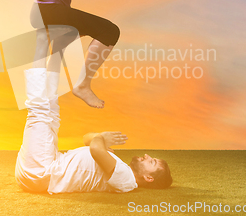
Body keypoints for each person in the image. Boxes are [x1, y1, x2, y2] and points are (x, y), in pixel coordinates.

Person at [15, 68, 173, 194]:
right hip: (48, 166)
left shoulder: (126, 180)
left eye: (151, 161)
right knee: (51, 112)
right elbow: (87, 140)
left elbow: (95, 149)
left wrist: (100, 139)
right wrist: (99, 138)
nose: (146, 156)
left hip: (42, 172)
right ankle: (57, 48)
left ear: (148, 178)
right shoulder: (118, 166)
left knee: (40, 111)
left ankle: (43, 40)